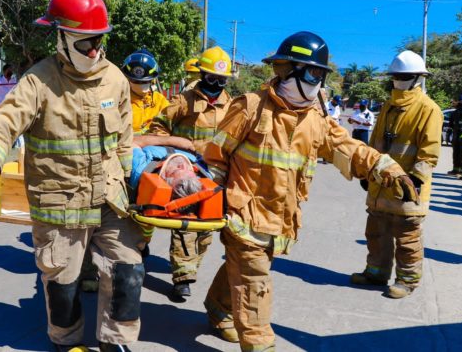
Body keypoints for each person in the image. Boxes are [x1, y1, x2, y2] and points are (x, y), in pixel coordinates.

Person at [201, 31, 417, 349]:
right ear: (288, 70)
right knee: (255, 283)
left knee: (246, 269)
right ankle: (260, 343)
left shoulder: (314, 119)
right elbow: (214, 158)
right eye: (313, 72)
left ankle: (219, 307)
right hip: (242, 216)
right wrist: (209, 203)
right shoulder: (250, 107)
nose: (317, 81)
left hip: (279, 221)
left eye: (321, 74)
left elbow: (348, 148)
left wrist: (384, 167)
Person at [0, 0, 142, 352]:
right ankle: (66, 342)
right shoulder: (37, 82)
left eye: (98, 42)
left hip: (110, 200)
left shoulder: (115, 79)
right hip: (59, 203)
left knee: (127, 270)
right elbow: (2, 123)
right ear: (61, 38)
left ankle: (116, 342)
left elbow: (124, 142)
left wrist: (137, 188)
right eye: (85, 44)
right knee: (63, 281)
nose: (94, 51)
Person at [350, 50, 442, 299]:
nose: (399, 81)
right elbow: (375, 144)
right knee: (376, 233)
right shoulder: (388, 106)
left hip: (409, 189)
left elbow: (429, 153)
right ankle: (376, 273)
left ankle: (407, 280)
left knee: (407, 238)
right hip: (380, 185)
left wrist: (414, 180)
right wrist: (366, 171)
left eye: (405, 77)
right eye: (397, 77)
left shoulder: (428, 109)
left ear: (418, 79)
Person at [149, 46, 233, 300]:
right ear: (202, 75)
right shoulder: (183, 100)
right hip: (187, 174)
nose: (216, 84)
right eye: (211, 78)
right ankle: (182, 277)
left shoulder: (231, 105)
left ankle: (190, 266)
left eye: (221, 79)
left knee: (206, 228)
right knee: (186, 224)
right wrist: (173, 155)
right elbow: (158, 127)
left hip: (215, 176)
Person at [122, 48, 169, 134]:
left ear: (153, 80)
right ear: (128, 78)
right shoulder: (121, 101)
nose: (140, 84)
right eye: (136, 81)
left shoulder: (160, 100)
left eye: (144, 81)